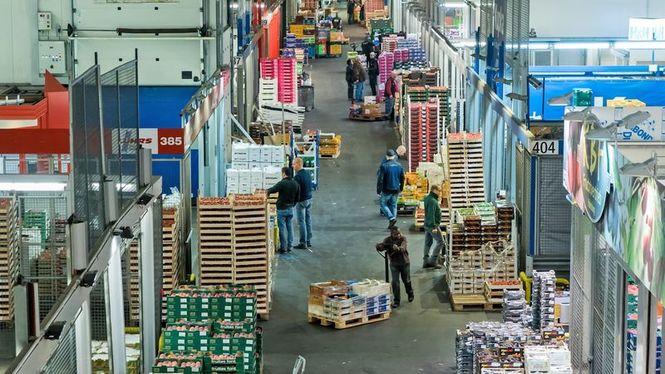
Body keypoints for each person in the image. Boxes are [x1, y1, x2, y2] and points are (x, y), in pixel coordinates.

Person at [376, 226, 414, 308]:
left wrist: (398, 249)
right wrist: (379, 247)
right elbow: (383, 247)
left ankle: (410, 293)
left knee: (406, 280)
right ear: (392, 234)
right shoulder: (387, 240)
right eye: (396, 234)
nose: (399, 235)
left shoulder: (403, 238)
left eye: (399, 233)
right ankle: (397, 301)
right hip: (394, 264)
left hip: (404, 263)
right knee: (395, 282)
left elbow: (403, 248)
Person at [267, 167, 300, 254]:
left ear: (284, 173)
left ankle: (283, 247)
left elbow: (272, 189)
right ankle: (290, 246)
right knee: (290, 227)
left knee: (281, 228)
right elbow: (298, 197)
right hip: (290, 209)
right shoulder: (296, 184)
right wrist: (293, 204)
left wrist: (266, 193)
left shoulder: (282, 183)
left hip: (281, 209)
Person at [377, 149, 405, 229]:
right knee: (394, 205)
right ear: (394, 156)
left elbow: (381, 179)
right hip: (396, 189)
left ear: (387, 156)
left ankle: (391, 218)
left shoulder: (384, 166)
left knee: (383, 204)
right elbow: (402, 178)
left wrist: (378, 190)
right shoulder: (399, 165)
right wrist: (401, 188)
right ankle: (393, 222)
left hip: (387, 189)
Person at [292, 158, 313, 250]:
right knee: (308, 220)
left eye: (293, 164)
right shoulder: (307, 174)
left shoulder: (297, 177)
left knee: (301, 222)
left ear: (298, 164)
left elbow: (294, 190)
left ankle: (302, 242)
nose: (292, 166)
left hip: (302, 201)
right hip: (309, 199)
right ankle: (308, 240)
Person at [423, 185, 443, 268]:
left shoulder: (427, 198)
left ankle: (425, 261)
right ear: (434, 190)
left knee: (428, 243)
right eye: (439, 190)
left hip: (427, 224)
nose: (440, 192)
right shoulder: (433, 201)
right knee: (440, 241)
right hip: (432, 225)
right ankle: (433, 261)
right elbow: (431, 215)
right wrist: (434, 227)